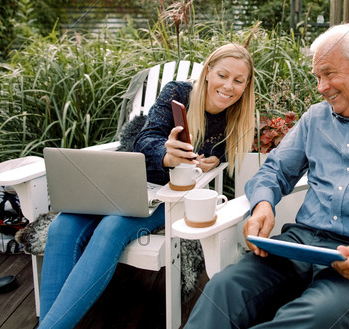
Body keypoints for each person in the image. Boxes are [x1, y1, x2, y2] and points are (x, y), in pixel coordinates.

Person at [184, 24, 349, 329]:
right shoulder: (315, 118)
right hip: (300, 245)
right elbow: (274, 170)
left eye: (329, 74)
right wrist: (262, 206)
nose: (321, 87)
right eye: (318, 77)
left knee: (309, 320)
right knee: (223, 288)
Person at [38, 43, 255, 329]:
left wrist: (214, 160)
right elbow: (146, 137)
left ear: (246, 86)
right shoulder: (178, 93)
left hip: (166, 197)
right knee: (63, 226)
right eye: (222, 75)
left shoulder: (235, 120)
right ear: (207, 73)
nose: (229, 86)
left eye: (239, 81)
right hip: (127, 179)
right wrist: (165, 154)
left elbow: (225, 153)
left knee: (110, 228)